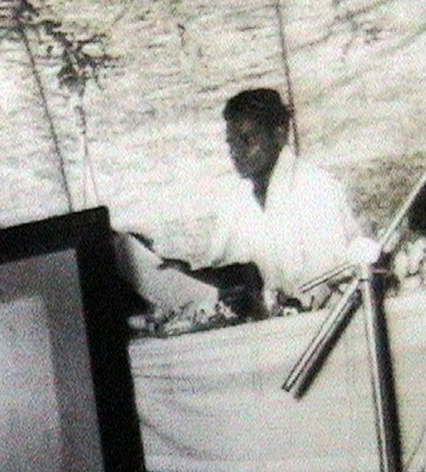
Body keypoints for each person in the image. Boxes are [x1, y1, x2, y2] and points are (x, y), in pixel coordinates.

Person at [156, 88, 363, 310]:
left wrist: (264, 301)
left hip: (329, 318)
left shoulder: (316, 188)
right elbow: (228, 269)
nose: (236, 152)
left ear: (279, 134)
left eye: (247, 140)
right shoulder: (237, 199)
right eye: (231, 143)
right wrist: (188, 275)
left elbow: (324, 282)